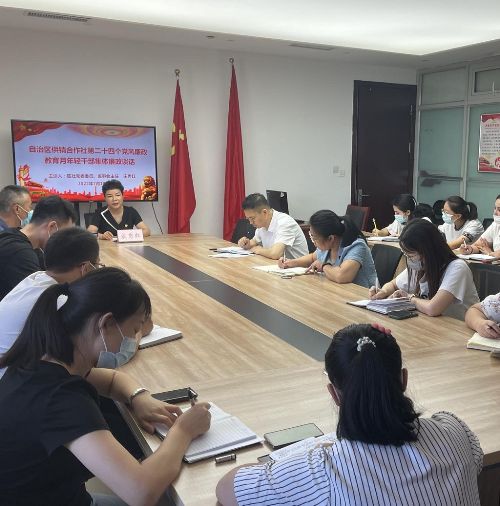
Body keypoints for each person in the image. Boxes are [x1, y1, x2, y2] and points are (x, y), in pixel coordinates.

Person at [0, 267, 211, 506]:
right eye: (134, 330)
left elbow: (111, 381)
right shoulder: (61, 397)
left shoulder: (42, 360)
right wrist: (183, 430)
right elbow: (141, 491)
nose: (133, 339)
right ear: (107, 323)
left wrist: (139, 397)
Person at [216, 323, 483, 506]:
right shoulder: (455, 431)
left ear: (334, 394)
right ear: (403, 379)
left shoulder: (321, 470)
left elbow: (226, 489)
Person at [0, 228, 103, 378]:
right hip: (12, 385)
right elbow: (95, 351)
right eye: (97, 265)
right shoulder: (61, 302)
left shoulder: (36, 278)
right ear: (85, 268)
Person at [370, 219, 479, 319]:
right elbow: (393, 285)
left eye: (411, 256)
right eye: (406, 255)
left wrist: (409, 298)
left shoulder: (457, 268)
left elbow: (433, 309)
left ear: (428, 251)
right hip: (432, 324)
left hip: (457, 329)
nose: (409, 260)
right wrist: (383, 292)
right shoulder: (420, 265)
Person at [0, 195, 76, 301]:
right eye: (64, 235)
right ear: (52, 227)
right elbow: (44, 299)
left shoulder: (28, 244)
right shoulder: (18, 252)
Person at [279, 210, 377, 288]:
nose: (313, 242)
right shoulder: (328, 245)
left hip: (363, 297)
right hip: (338, 292)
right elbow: (312, 257)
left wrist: (324, 266)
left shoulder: (356, 245)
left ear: (330, 238)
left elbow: (342, 276)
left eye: (314, 238)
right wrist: (291, 262)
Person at [237, 193, 308, 259]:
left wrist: (258, 250)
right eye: (248, 219)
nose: (250, 222)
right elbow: (255, 241)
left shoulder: (284, 222)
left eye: (252, 218)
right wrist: (246, 244)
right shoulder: (262, 223)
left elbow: (275, 254)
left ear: (264, 212)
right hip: (277, 265)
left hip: (298, 267)